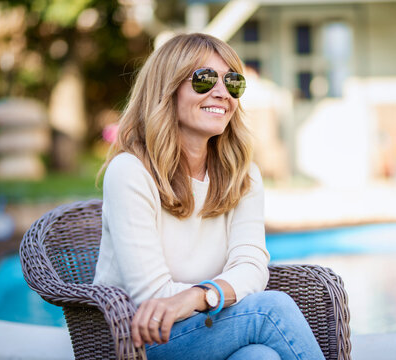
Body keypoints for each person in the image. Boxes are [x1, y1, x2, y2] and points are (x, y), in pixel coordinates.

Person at [94, 33, 325, 360]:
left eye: (232, 82)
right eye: (204, 79)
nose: (222, 93)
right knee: (270, 310)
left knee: (260, 358)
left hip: (210, 326)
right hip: (138, 339)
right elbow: (153, 297)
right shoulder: (130, 172)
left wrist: (203, 296)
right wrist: (223, 293)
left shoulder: (243, 175)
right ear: (166, 90)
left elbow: (252, 267)